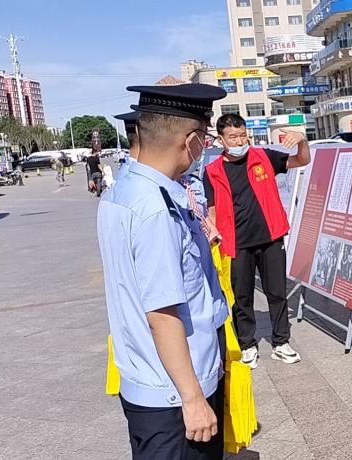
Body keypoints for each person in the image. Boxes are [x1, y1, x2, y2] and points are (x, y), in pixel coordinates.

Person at [97, 83, 229, 459]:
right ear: (192, 141)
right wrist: (193, 399)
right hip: (173, 396)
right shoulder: (157, 209)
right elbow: (162, 313)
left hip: (146, 380)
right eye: (205, 138)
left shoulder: (122, 191)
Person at [204, 114, 311, 368]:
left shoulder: (264, 157)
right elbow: (211, 208)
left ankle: (281, 342)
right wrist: (213, 234)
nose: (239, 141)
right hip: (236, 243)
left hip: (270, 237)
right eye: (233, 137)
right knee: (241, 297)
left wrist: (302, 141)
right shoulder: (212, 171)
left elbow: (302, 160)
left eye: (242, 135)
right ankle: (247, 345)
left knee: (277, 292)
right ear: (221, 140)